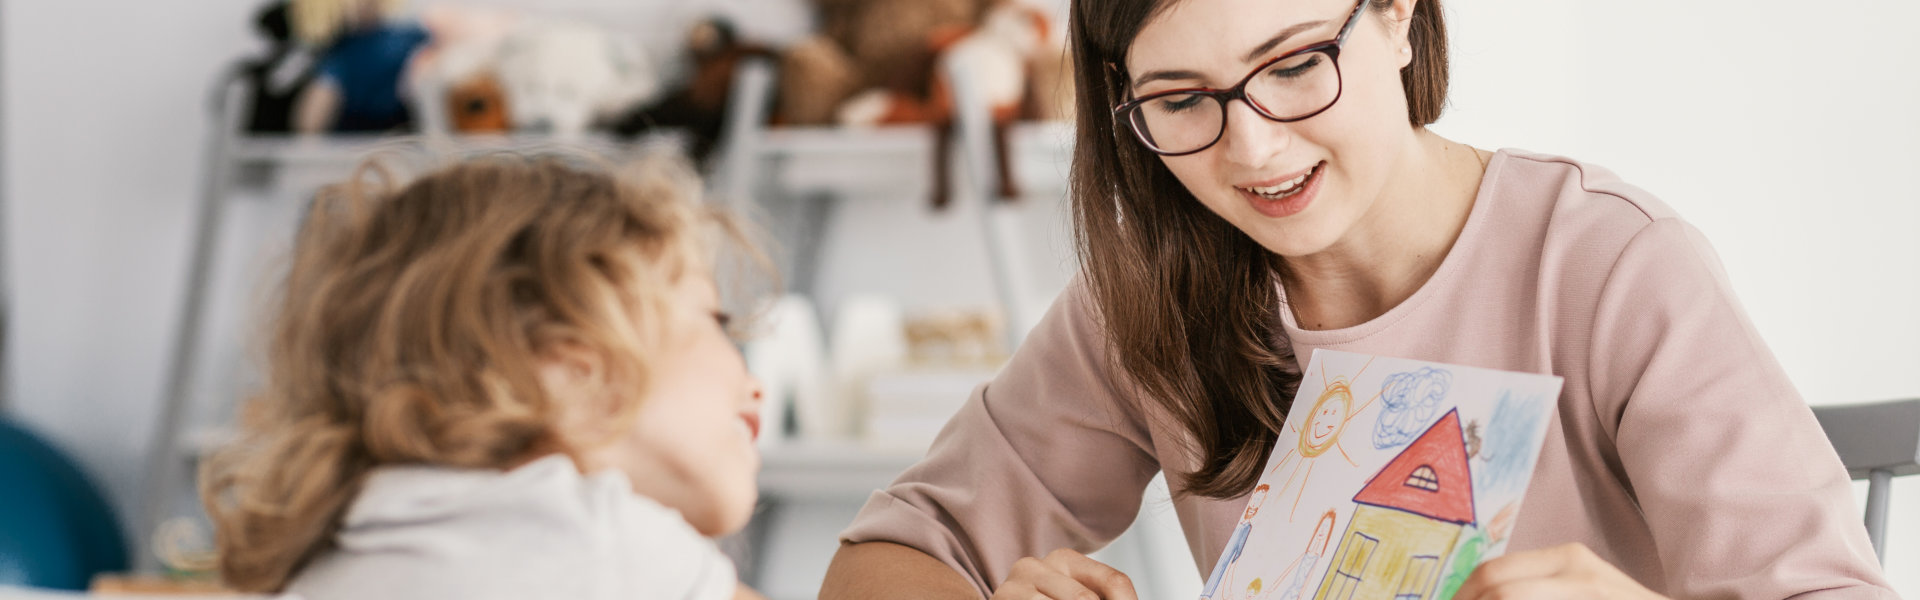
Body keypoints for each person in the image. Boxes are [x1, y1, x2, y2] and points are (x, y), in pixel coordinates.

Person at [819, 0, 1897, 598]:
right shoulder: (1148, 298)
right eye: (1182, 100)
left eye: (1295, 65)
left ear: (1397, 17)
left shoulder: (1608, 264)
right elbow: (885, 561)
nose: (1253, 149)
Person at [199, 151, 769, 599]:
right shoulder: (592, 537)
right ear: (570, 370)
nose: (754, 381)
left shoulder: (340, 549)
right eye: (715, 319)